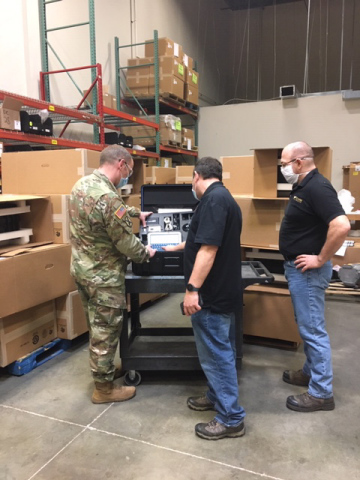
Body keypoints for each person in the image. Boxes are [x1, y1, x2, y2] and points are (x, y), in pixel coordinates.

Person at [69, 144, 156, 404]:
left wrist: (135, 212)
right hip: (103, 276)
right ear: (121, 163)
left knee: (97, 327)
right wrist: (145, 253)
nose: (127, 174)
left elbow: (103, 214)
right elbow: (124, 241)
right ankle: (104, 390)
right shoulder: (108, 197)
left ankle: (104, 372)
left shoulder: (82, 186)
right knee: (106, 329)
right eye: (129, 169)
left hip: (82, 269)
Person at [279, 141, 350, 412]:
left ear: (299, 162)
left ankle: (321, 392)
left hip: (308, 271)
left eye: (285, 164)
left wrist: (320, 258)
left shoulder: (317, 187)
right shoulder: (304, 186)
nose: (283, 169)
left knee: (312, 329)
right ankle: (310, 372)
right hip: (299, 270)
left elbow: (341, 225)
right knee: (306, 323)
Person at [181, 156, 246, 440]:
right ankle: (215, 395)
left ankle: (231, 418)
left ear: (196, 176)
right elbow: (202, 241)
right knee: (219, 351)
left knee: (216, 355)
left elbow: (208, 250)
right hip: (222, 290)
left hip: (211, 294)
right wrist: (175, 247)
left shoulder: (213, 201)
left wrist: (192, 289)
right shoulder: (223, 198)